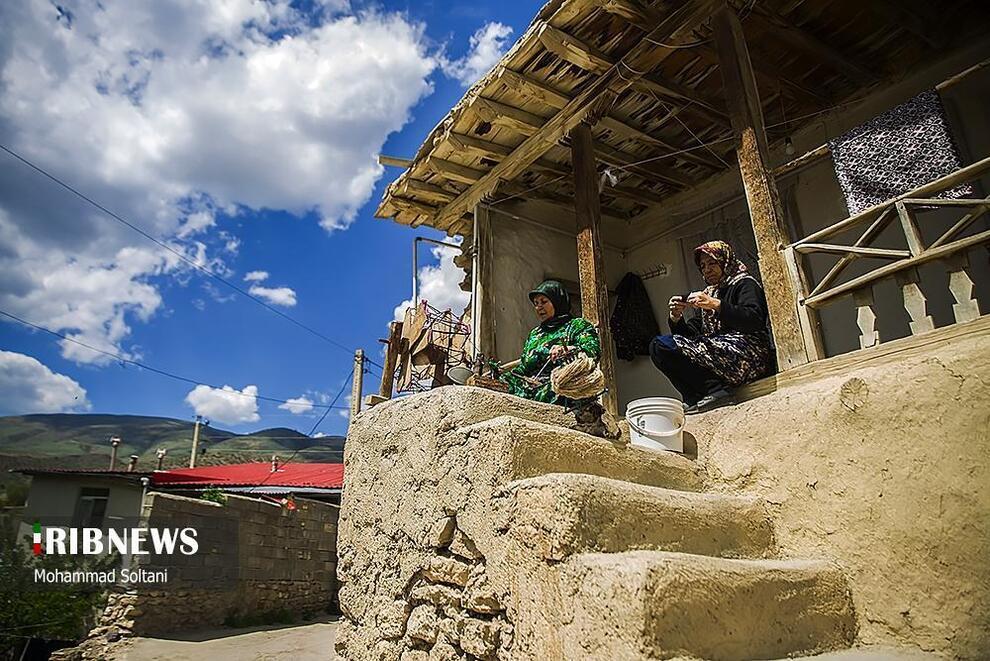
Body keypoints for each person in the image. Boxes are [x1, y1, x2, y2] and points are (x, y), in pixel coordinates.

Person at [649, 241, 772, 412]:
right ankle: (693, 396)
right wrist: (676, 317)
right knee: (659, 346)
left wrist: (716, 305)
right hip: (720, 354)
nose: (707, 270)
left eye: (712, 263)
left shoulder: (744, 284)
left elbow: (754, 319)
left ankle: (716, 391)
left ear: (725, 261)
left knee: (674, 344)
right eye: (703, 266)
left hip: (750, 356)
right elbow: (689, 337)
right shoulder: (709, 293)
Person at [500, 280, 602, 406]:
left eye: (544, 302)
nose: (539, 307)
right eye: (536, 303)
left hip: (561, 383)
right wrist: (506, 376)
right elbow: (524, 366)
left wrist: (568, 349)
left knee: (546, 393)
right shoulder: (535, 334)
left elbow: (592, 351)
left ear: (557, 301)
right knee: (503, 385)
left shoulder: (577, 326)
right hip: (532, 383)